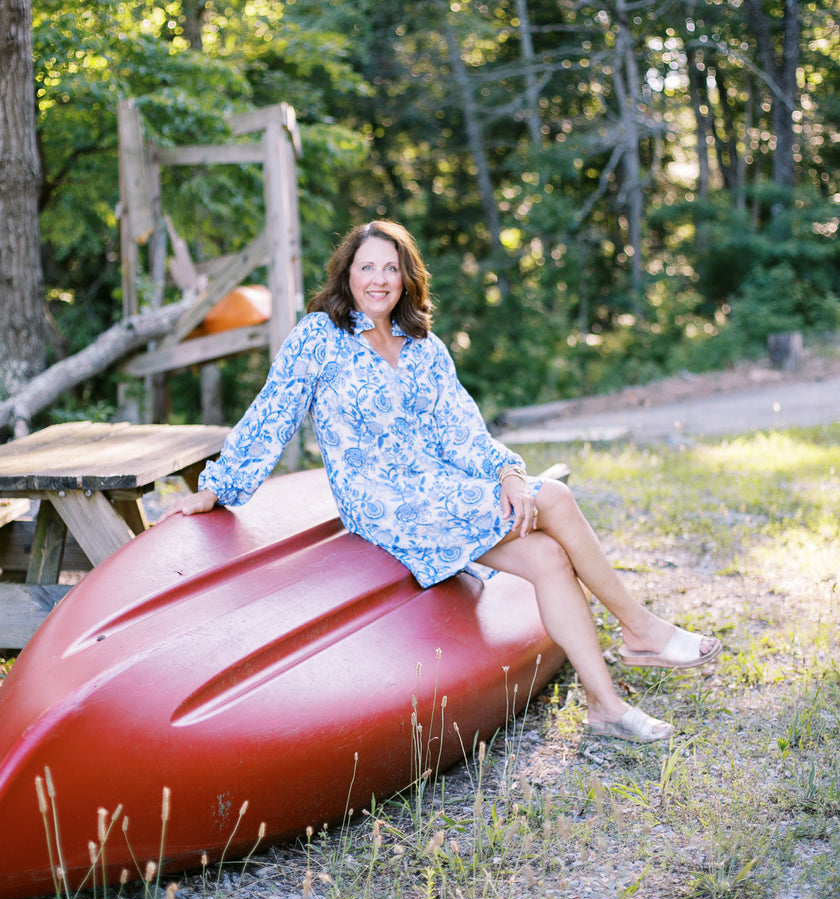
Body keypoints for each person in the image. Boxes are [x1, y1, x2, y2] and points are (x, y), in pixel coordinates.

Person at [159, 220, 721, 742]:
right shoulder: (319, 338)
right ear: (347, 275)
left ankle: (606, 707)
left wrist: (506, 471)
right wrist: (219, 487)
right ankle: (641, 628)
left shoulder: (426, 348)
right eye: (366, 268)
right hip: (381, 502)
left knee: (549, 557)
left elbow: (462, 433)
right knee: (560, 498)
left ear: (406, 277)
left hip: (440, 488)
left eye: (390, 268)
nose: (378, 279)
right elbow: (272, 413)